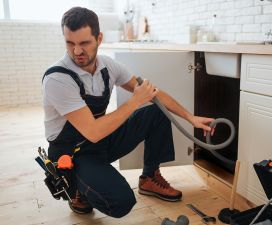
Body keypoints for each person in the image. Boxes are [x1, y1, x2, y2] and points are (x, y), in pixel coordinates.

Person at [42, 7, 215, 218]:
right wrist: (134, 102)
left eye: (84, 43)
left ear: (99, 38)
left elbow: (153, 93)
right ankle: (79, 189)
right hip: (72, 153)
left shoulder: (107, 66)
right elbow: (93, 132)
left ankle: (150, 177)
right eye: (70, 43)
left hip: (100, 142)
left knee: (157, 111)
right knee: (121, 202)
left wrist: (190, 117)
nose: (77, 51)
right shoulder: (58, 78)